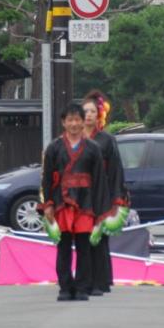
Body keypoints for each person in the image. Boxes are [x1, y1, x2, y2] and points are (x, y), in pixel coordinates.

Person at [40, 102, 110, 301]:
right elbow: (47, 178)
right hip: (61, 203)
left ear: (82, 122)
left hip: (86, 205)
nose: (74, 124)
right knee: (63, 248)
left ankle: (81, 288)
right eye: (70, 120)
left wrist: (100, 210)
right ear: (64, 122)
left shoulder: (93, 148)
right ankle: (64, 287)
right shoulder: (54, 148)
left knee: (84, 248)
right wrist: (48, 204)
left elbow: (100, 181)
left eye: (77, 119)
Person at [84, 91, 129, 294]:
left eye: (93, 111)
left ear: (99, 115)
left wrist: (117, 197)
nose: (88, 115)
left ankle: (100, 282)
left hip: (101, 195)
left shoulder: (106, 139)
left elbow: (116, 170)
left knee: (99, 238)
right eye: (85, 111)